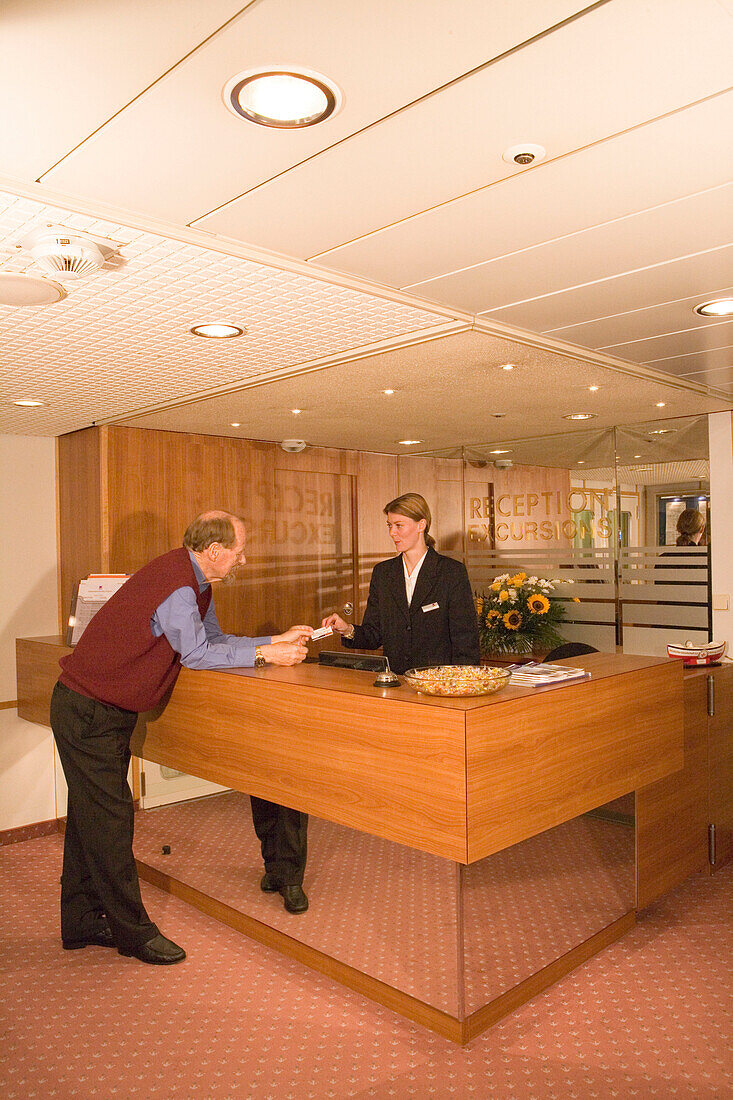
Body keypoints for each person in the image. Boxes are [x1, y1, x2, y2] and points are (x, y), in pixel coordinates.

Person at [50, 510, 313, 966]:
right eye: (239, 550)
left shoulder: (194, 581)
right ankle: (132, 932)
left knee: (89, 818)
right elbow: (196, 655)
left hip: (98, 710)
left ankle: (80, 921)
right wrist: (268, 652)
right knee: (111, 822)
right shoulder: (177, 583)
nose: (243, 559)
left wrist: (273, 639)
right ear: (214, 550)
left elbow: (213, 640)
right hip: (89, 711)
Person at [323, 493, 480, 673]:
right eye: (389, 525)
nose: (392, 533)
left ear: (421, 525)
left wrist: (460, 685)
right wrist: (347, 629)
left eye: (399, 525)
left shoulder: (451, 572)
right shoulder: (383, 573)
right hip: (396, 684)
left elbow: (466, 640)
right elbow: (373, 634)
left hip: (438, 685)